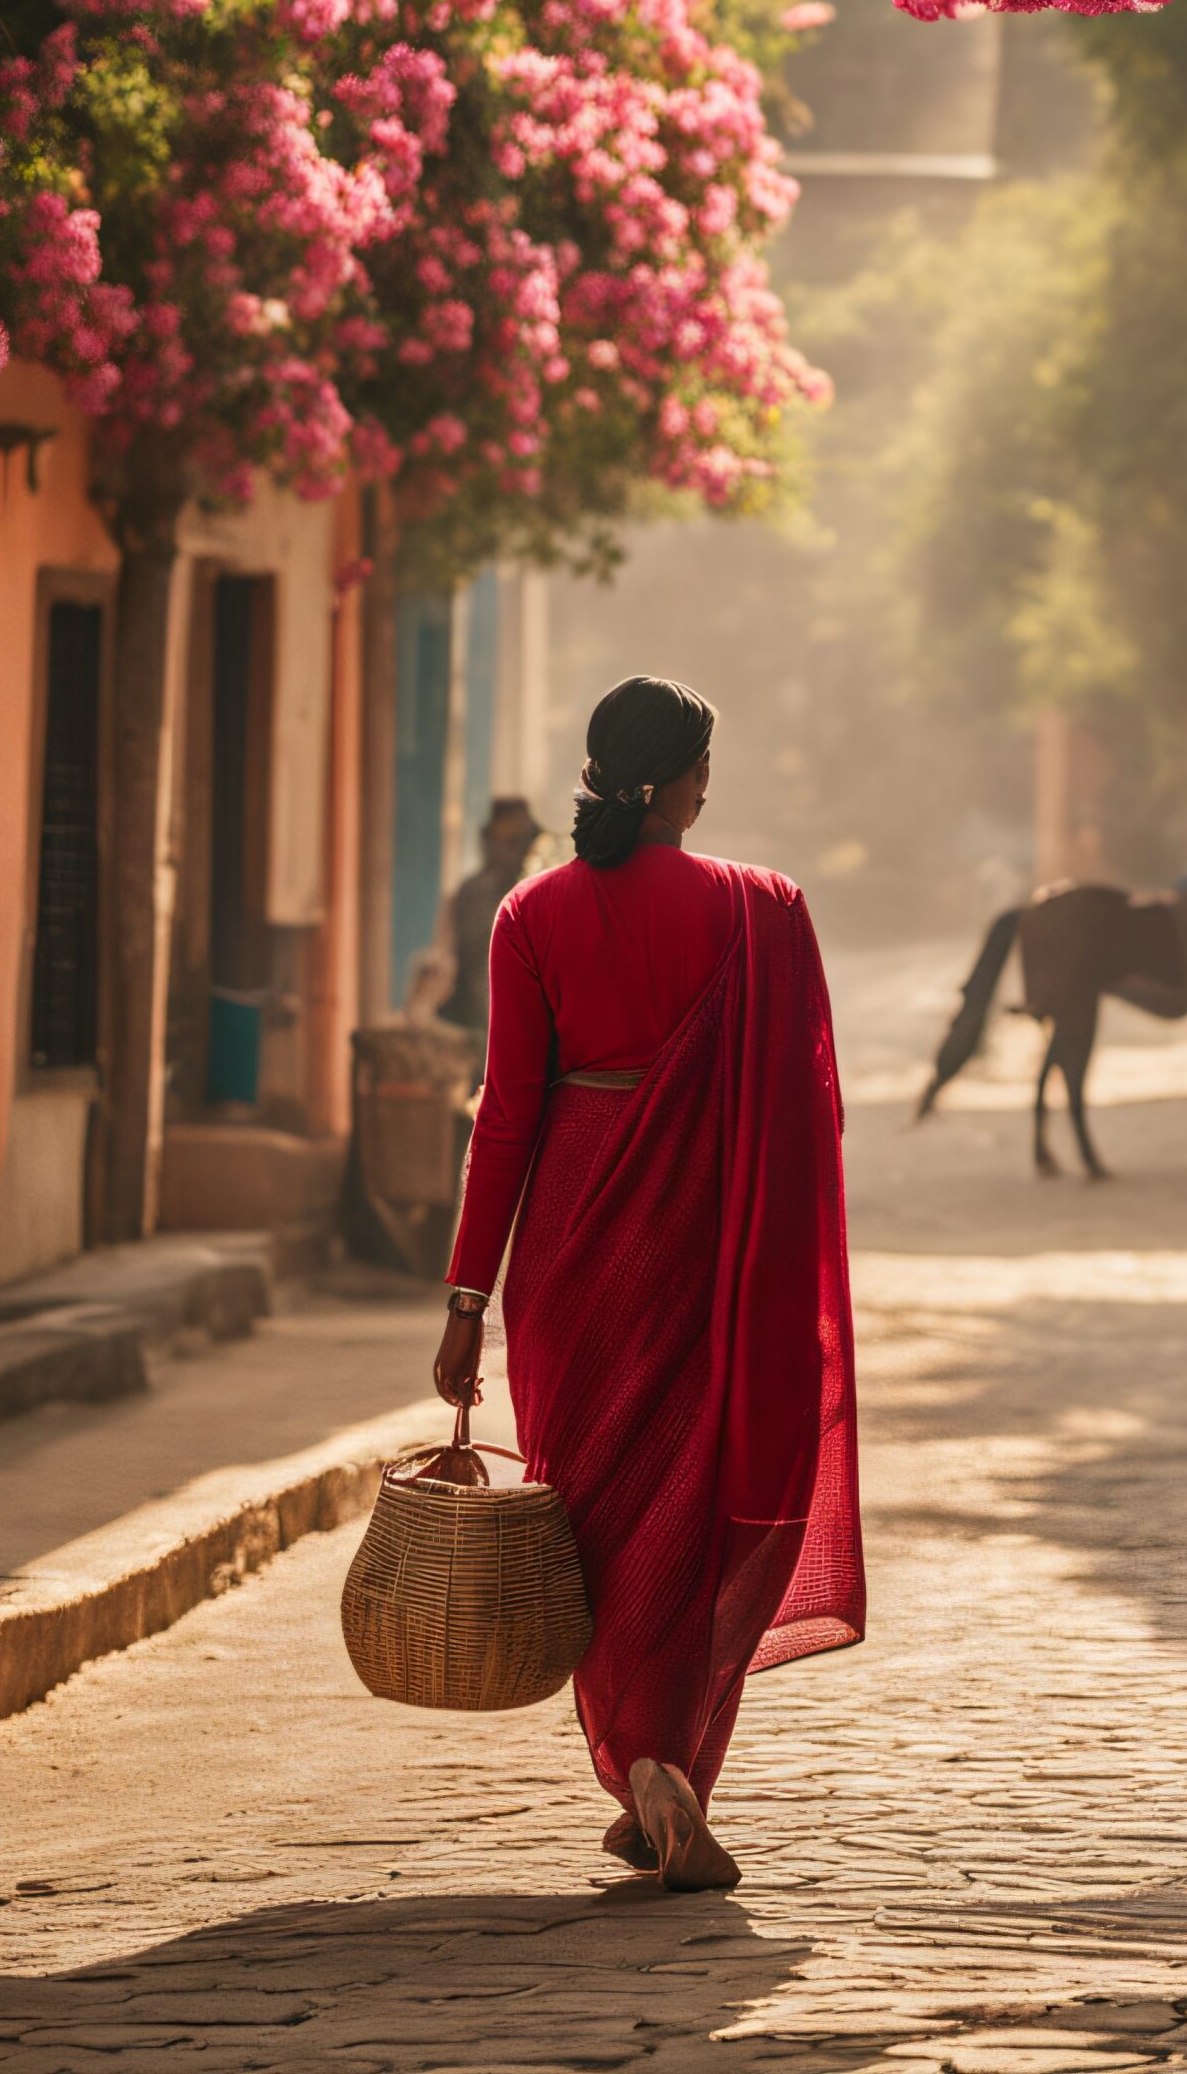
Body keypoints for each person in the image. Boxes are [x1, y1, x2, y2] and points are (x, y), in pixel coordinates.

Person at [431, 676, 864, 1893]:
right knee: (703, 1487)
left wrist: (469, 1295)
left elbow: (506, 1118)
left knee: (596, 1505)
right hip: (707, 1244)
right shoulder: (765, 910)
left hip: (570, 1249)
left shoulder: (530, 915)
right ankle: (667, 1761)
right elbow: (809, 1113)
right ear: (689, 781)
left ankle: (640, 1759)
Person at [434, 796, 543, 1032]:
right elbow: (480, 976)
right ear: (490, 842)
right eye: (514, 843)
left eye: (526, 843)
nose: (522, 853)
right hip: (477, 1027)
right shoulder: (480, 892)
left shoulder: (527, 892)